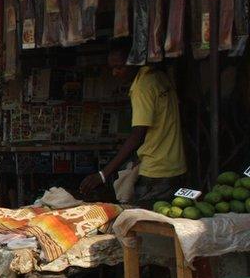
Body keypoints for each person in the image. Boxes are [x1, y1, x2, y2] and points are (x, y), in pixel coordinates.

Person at [79, 40, 186, 204]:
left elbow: (138, 134)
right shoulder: (158, 77)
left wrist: (104, 174)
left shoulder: (142, 87)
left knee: (148, 221)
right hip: (175, 164)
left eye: (119, 67)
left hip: (156, 169)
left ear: (134, 62)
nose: (115, 73)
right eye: (112, 68)